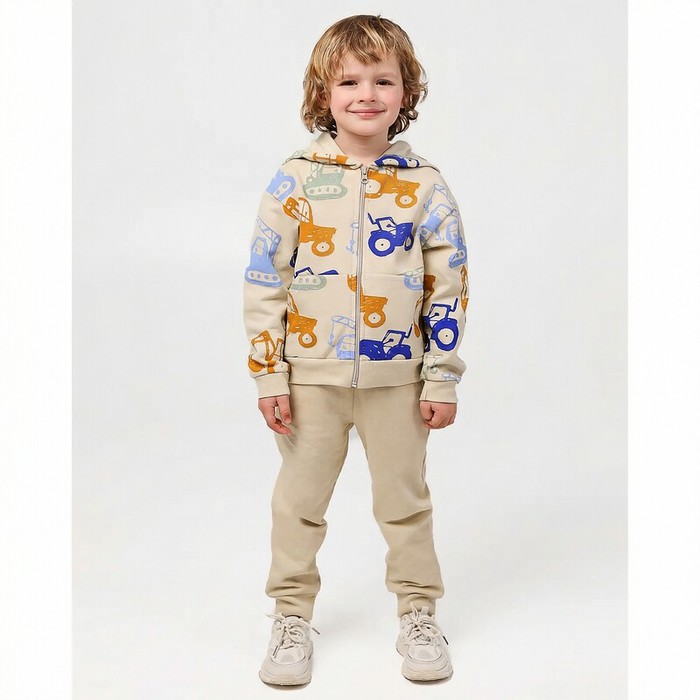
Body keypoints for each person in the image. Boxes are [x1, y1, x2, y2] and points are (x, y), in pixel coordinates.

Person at [243, 14, 469, 686]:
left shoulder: (425, 184)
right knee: (298, 503)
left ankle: (419, 613)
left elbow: (449, 285)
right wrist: (269, 375)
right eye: (348, 81)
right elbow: (265, 280)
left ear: (406, 93)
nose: (366, 93)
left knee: (406, 502)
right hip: (309, 381)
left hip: (398, 381)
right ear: (323, 93)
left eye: (382, 80)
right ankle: (290, 617)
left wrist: (441, 377)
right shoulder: (295, 179)